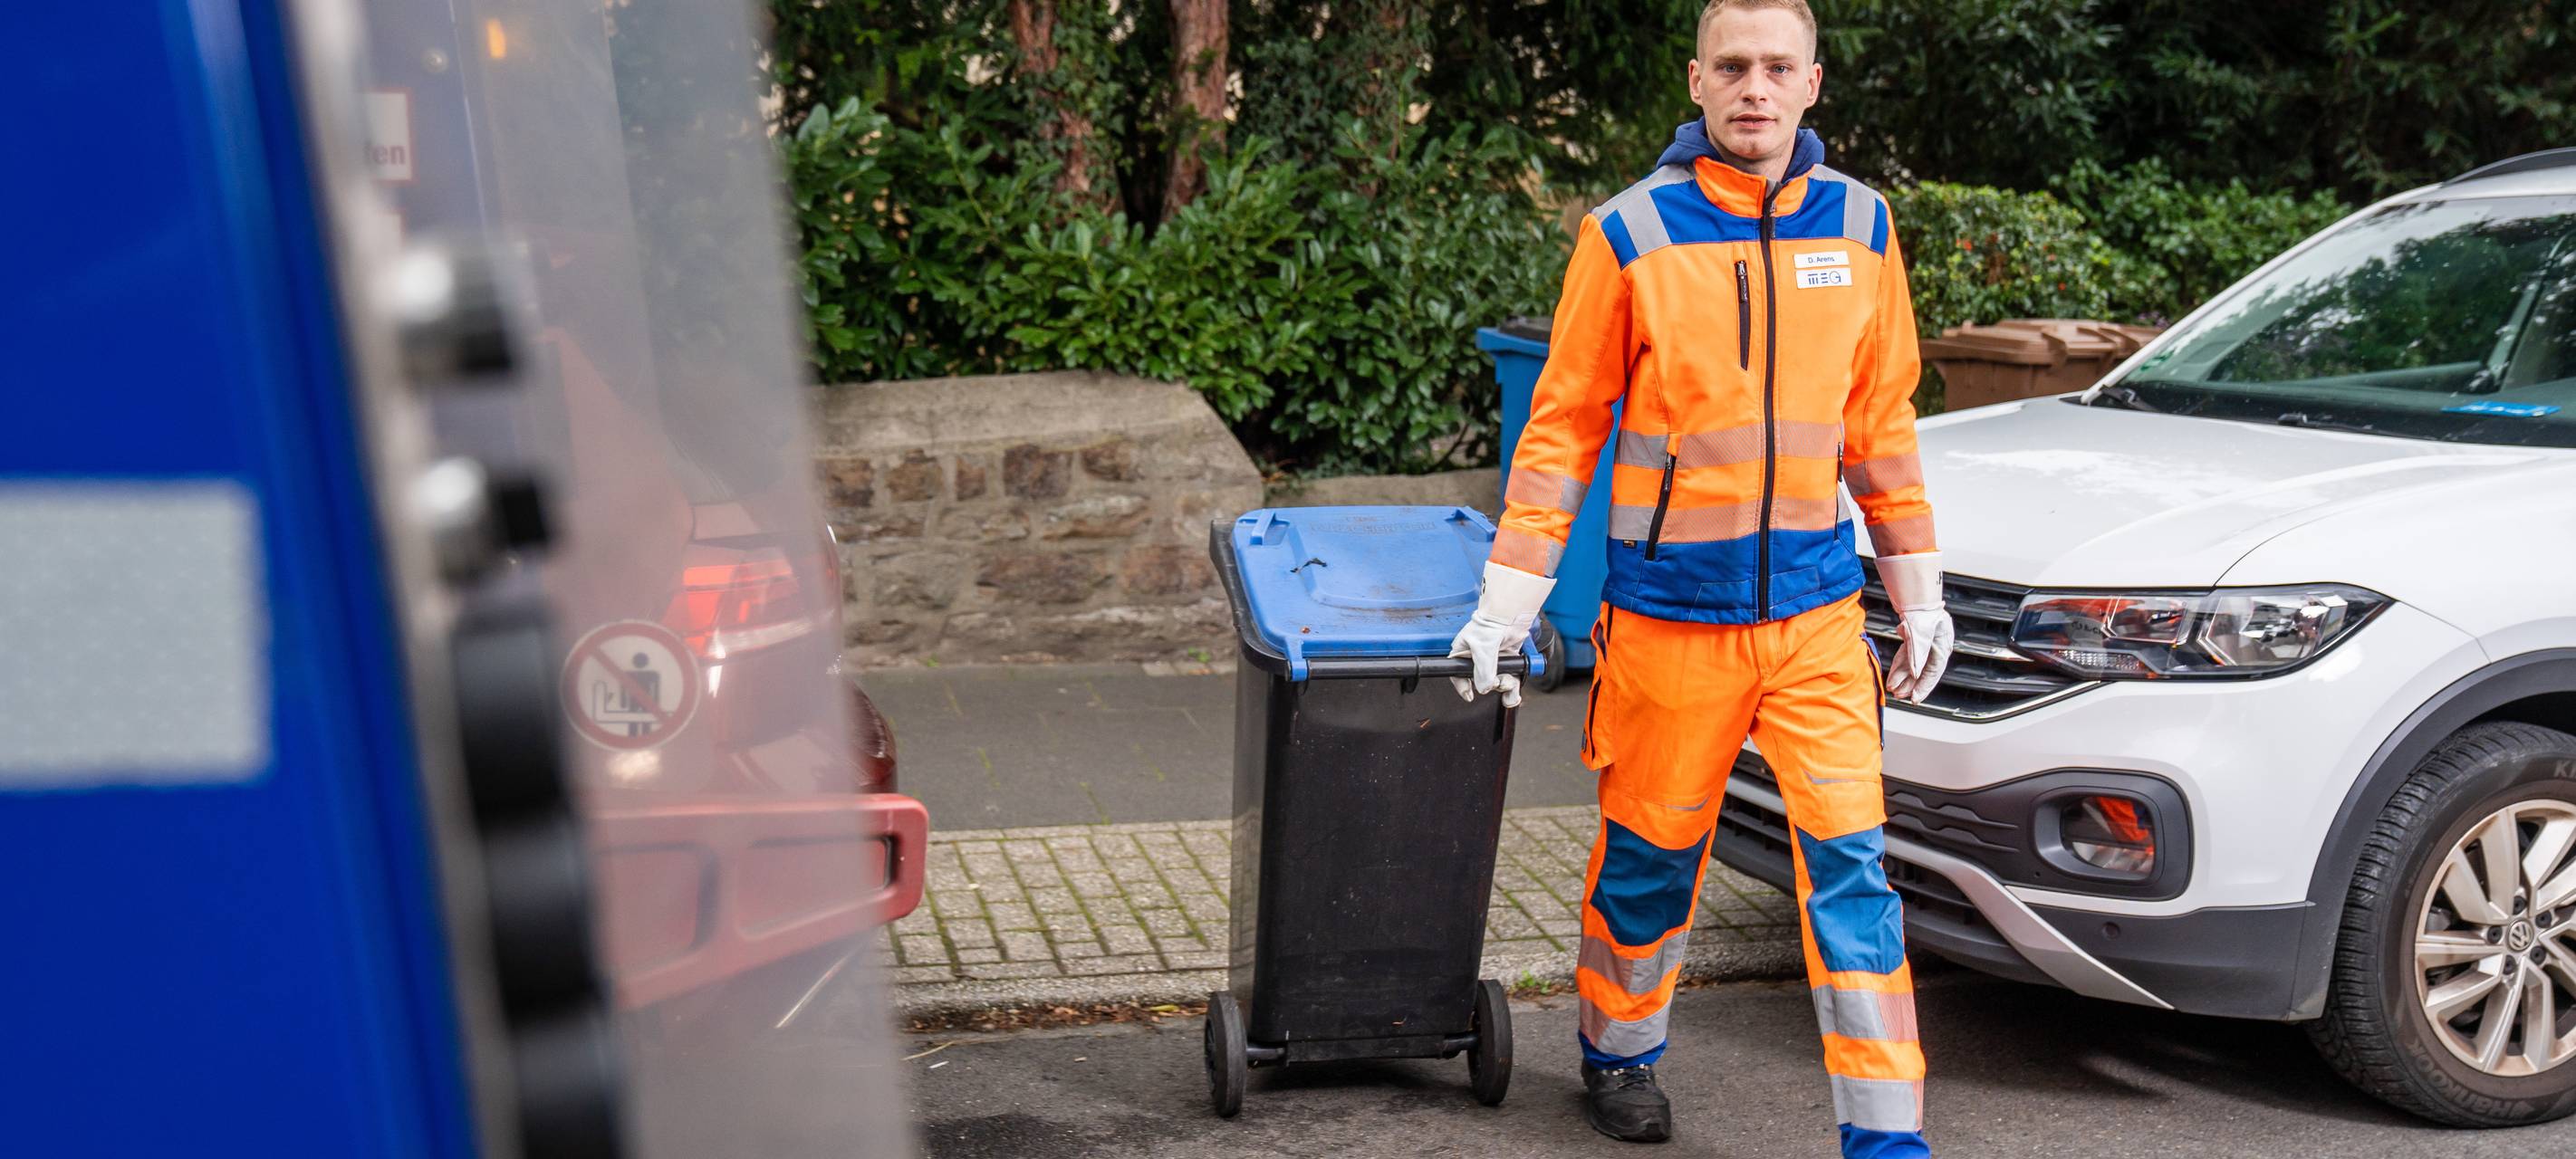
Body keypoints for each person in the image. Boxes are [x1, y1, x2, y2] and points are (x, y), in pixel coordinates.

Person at [1447, 2, 1953, 1154]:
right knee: (1648, 865)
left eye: (1779, 67)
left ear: (1814, 84)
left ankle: (1887, 1136)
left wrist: (1917, 588)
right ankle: (1617, 1053)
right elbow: (1561, 429)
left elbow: (1881, 425)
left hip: (1821, 620)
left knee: (1855, 876)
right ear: (1697, 79)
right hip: (1673, 623)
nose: (1756, 88)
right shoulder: (1628, 234)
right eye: (1734, 67)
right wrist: (1507, 601)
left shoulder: (1866, 228)